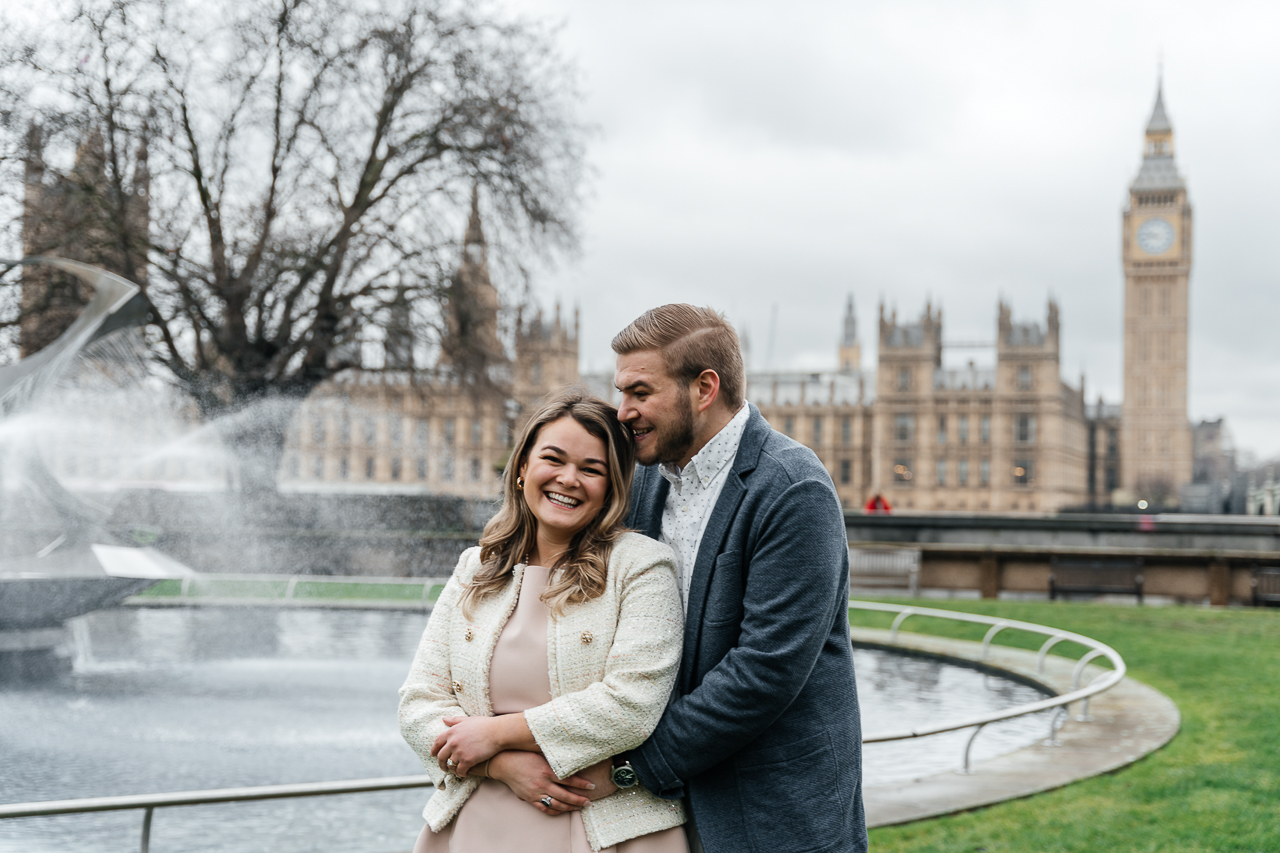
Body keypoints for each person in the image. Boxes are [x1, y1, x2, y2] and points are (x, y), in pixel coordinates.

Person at [611, 304, 868, 853]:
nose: (622, 412)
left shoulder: (792, 488)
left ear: (704, 388)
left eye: (639, 392)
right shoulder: (646, 485)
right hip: (669, 813)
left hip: (771, 813)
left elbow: (764, 671)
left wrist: (632, 767)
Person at [398, 391, 690, 853]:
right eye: (553, 459)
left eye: (591, 469)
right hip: (477, 824)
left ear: (613, 487)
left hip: (605, 828)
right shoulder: (475, 567)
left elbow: (631, 706)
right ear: (521, 469)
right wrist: (499, 767)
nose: (568, 479)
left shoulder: (642, 566)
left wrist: (493, 735)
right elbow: (418, 703)